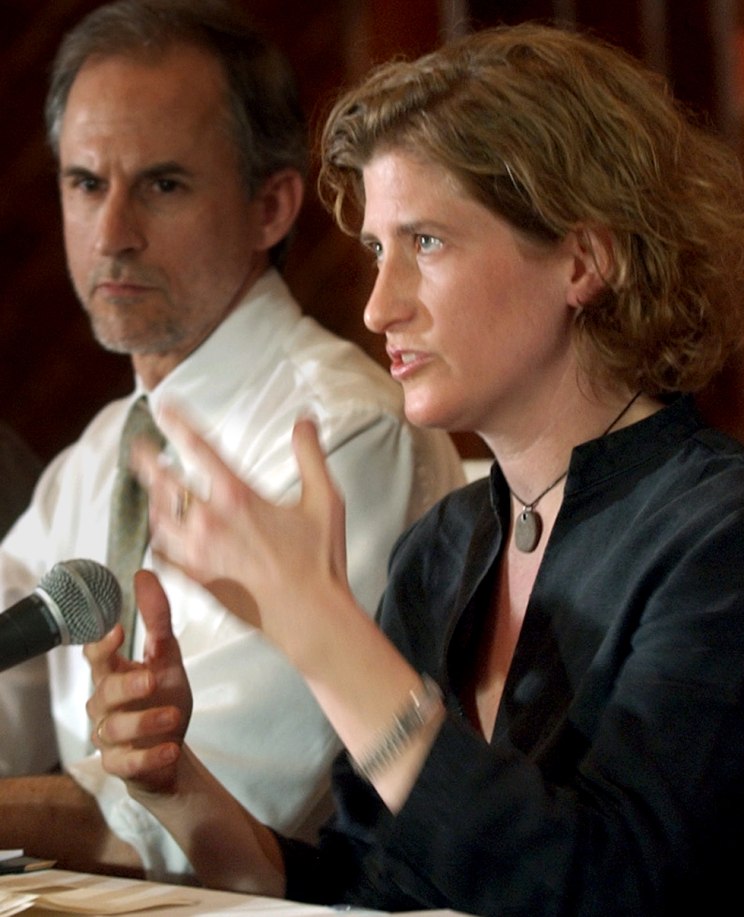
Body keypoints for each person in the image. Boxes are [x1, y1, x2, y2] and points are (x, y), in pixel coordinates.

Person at [86, 20, 744, 916]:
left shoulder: (728, 536)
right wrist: (178, 788)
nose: (378, 305)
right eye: (376, 250)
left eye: (428, 243)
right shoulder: (443, 545)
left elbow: (607, 886)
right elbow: (368, 892)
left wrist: (323, 634)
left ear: (584, 260)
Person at [0, 0, 464, 882]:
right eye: (85, 183)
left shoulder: (340, 435)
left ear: (272, 206)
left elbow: (225, 803)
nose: (111, 234)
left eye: (162, 185)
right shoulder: (96, 456)